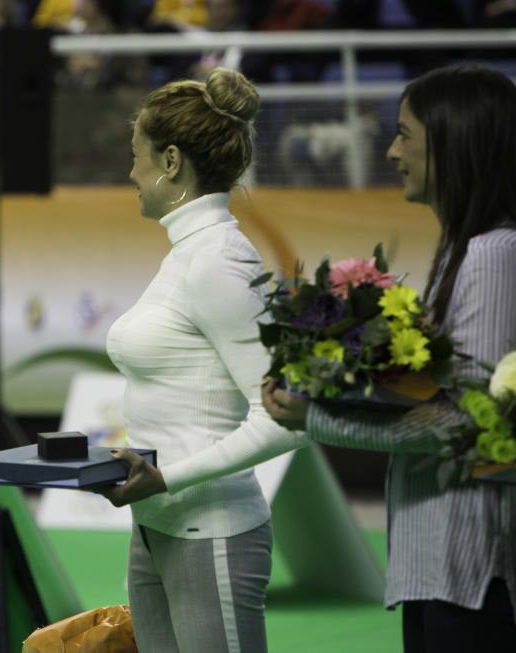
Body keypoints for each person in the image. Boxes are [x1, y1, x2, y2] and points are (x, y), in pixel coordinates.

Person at [262, 65, 516, 653]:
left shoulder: (493, 255)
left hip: (472, 568)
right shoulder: (465, 249)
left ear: (455, 145)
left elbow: (470, 422)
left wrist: (316, 417)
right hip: (444, 562)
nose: (390, 149)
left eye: (404, 134)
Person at [100, 68, 303, 653]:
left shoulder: (218, 261)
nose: (129, 172)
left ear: (169, 162)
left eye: (135, 155)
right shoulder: (190, 253)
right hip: (158, 525)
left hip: (212, 532)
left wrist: (166, 478)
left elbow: (287, 421)